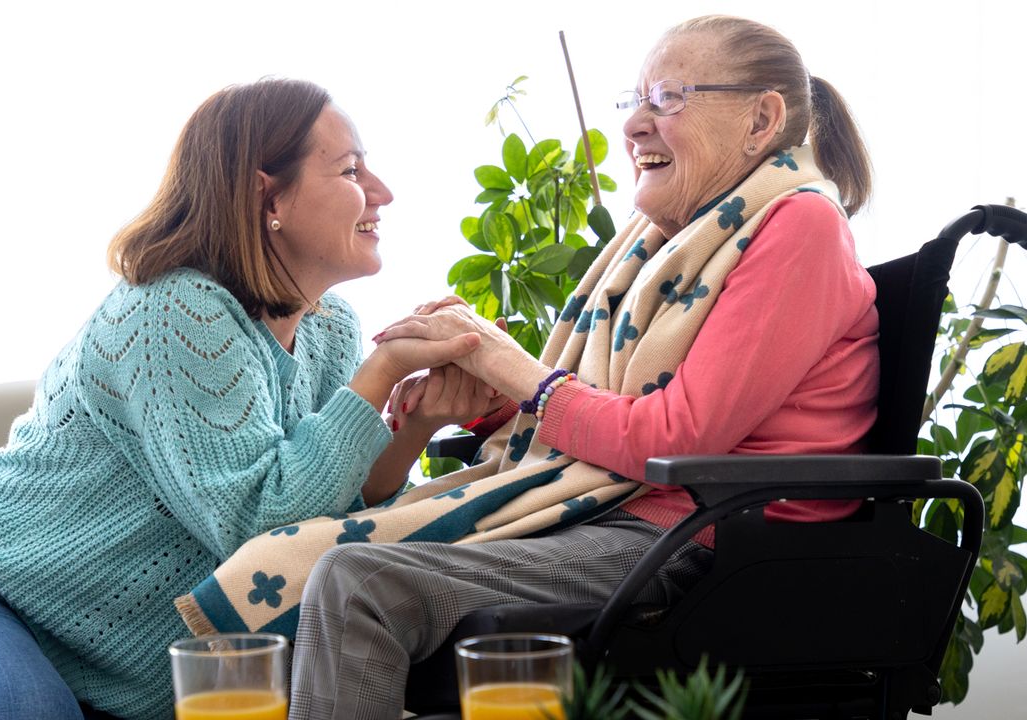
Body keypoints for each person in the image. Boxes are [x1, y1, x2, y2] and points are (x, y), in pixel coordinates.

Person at [289, 14, 880, 719]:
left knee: (356, 582)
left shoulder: (800, 226)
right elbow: (628, 409)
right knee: (323, 564)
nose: (634, 127)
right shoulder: (685, 239)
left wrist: (512, 366)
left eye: (669, 98)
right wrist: (496, 403)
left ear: (762, 118)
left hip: (705, 539)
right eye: (634, 102)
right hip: (636, 516)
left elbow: (676, 438)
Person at [0, 78, 499, 720]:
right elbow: (260, 529)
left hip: (111, 652)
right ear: (268, 197)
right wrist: (380, 372)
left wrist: (417, 422)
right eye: (351, 170)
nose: (383, 193)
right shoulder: (171, 310)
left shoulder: (328, 326)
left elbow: (329, 511)